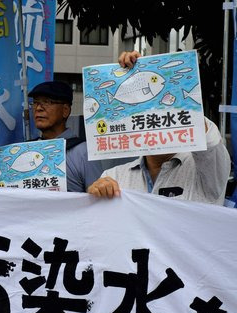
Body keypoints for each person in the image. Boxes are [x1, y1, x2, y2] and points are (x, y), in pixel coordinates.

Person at [88, 51, 231, 205]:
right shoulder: (113, 176)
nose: (153, 119)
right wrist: (95, 196)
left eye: (160, 110)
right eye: (143, 113)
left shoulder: (206, 172)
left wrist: (176, 91)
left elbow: (211, 143)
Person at [28, 80, 103, 192]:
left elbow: (99, 199)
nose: (38, 108)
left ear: (65, 110)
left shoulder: (83, 151)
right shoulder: (26, 150)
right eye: (35, 103)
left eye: (47, 102)